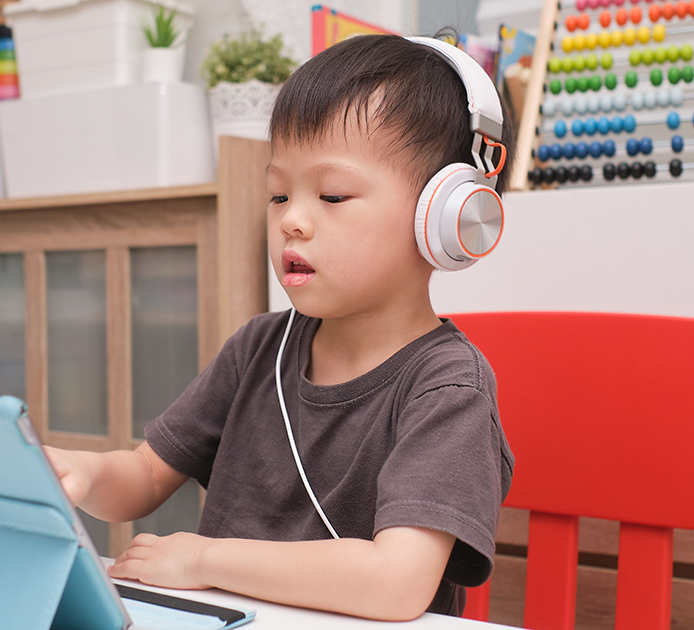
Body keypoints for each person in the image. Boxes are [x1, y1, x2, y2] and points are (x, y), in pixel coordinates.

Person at [44, 33, 515, 621]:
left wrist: (202, 561)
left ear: (446, 217)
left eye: (333, 194)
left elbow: (395, 584)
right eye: (277, 194)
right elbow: (142, 475)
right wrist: (81, 473)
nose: (292, 219)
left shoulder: (447, 388)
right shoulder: (257, 349)